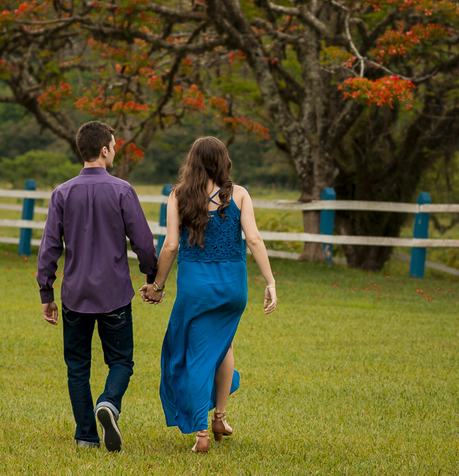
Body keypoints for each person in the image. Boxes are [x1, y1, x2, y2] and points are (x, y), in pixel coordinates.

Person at [141, 136, 278, 453]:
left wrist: (157, 286)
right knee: (224, 343)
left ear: (192, 162)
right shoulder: (239, 195)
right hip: (233, 287)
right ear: (223, 161)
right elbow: (254, 239)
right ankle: (219, 417)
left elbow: (171, 245)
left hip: (196, 287)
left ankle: (202, 433)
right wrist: (269, 281)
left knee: (195, 355)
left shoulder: (179, 196)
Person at [37, 121, 157, 452]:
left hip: (75, 295)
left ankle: (86, 436)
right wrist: (151, 276)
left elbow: (49, 247)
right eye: (114, 147)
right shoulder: (122, 190)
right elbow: (143, 242)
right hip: (114, 294)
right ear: (103, 150)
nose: (115, 151)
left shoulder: (62, 193)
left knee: (77, 367)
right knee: (121, 362)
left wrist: (46, 292)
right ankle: (108, 403)